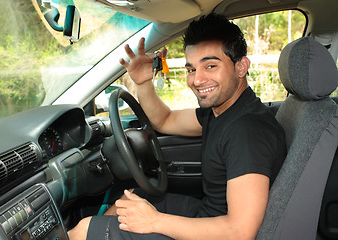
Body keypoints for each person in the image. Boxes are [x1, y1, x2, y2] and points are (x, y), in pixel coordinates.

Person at [68, 13, 286, 240]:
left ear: (241, 67)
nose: (197, 80)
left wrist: (155, 221)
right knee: (129, 200)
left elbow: (240, 232)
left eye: (210, 66)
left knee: (85, 230)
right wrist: (143, 82)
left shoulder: (247, 131)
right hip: (208, 216)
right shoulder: (223, 111)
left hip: (221, 231)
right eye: (192, 69)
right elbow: (165, 119)